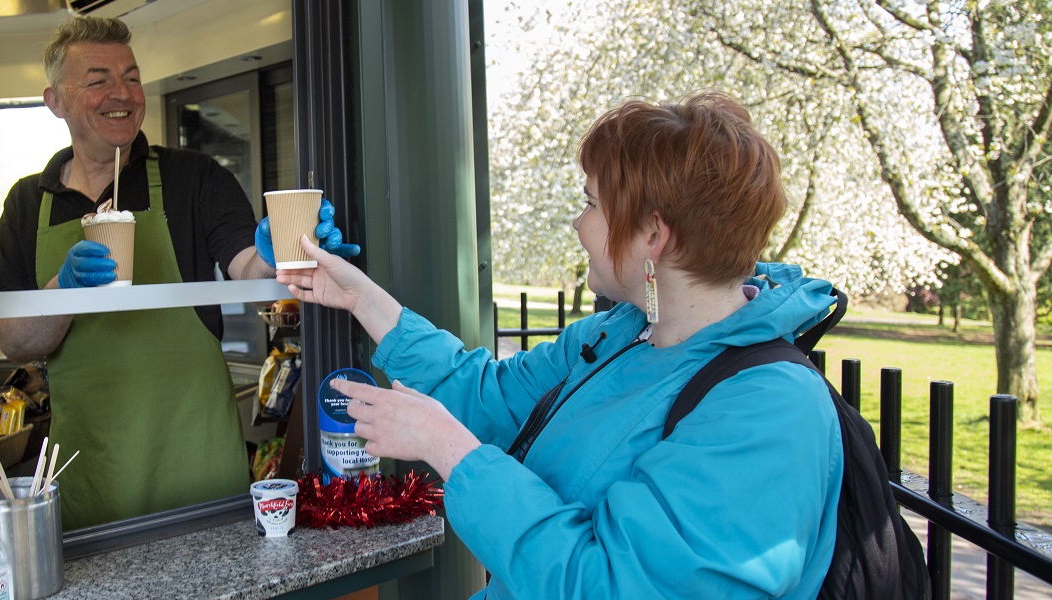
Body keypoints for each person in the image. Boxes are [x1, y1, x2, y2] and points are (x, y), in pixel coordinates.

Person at [277, 93, 843, 598]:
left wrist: (449, 448)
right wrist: (361, 298)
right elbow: (490, 396)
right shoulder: (619, 333)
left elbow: (614, 587)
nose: (579, 223)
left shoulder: (770, 408)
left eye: (593, 204)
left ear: (653, 234)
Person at [0, 15, 357, 530]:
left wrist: (282, 247)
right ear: (55, 102)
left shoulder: (194, 177)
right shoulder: (30, 202)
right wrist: (62, 290)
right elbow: (13, 342)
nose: (122, 93)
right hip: (91, 468)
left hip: (196, 459)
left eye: (132, 77)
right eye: (98, 81)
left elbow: (247, 267)